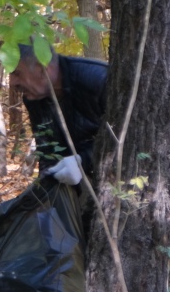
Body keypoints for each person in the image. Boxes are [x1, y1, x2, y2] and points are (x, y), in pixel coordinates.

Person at [7, 44, 108, 187]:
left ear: (44, 68)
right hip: (79, 192)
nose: (12, 82)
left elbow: (128, 138)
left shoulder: (99, 80)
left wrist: (84, 161)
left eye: (17, 73)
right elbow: (47, 153)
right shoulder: (34, 97)